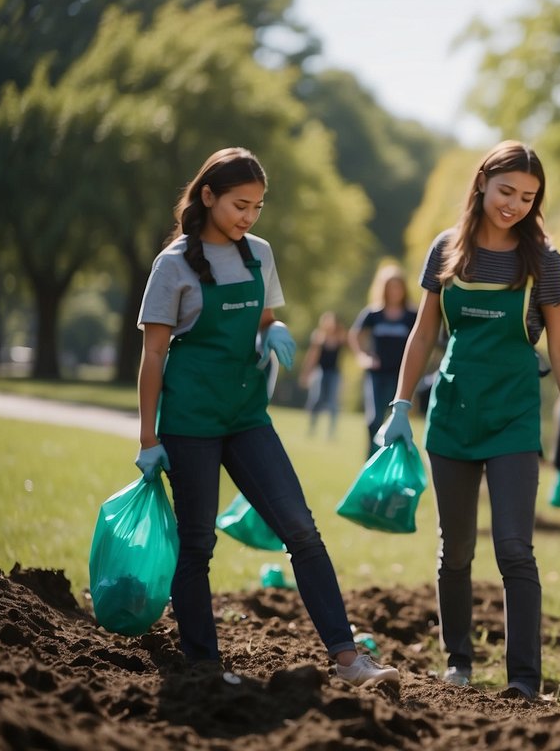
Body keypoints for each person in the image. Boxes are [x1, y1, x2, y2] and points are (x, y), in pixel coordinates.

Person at [134, 147, 399, 688]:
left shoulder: (259, 253)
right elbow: (154, 355)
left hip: (248, 417)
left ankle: (349, 661)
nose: (248, 217)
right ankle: (205, 666)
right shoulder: (173, 266)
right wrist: (147, 438)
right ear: (207, 197)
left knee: (301, 528)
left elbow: (265, 318)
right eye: (239, 205)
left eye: (257, 206)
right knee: (197, 543)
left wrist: (271, 330)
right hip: (190, 422)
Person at [374, 140, 560, 701]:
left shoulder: (543, 259)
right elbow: (424, 334)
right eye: (506, 191)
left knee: (515, 548)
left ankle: (524, 678)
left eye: (528, 197)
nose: (515, 204)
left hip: (515, 418)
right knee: (456, 549)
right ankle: (458, 663)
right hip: (451, 417)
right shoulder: (448, 250)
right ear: (482, 184)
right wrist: (399, 405)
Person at [349, 263, 418, 459]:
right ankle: (370, 461)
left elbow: (425, 339)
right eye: (390, 287)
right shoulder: (373, 314)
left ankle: (391, 462)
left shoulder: (411, 316)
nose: (394, 291)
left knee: (396, 420)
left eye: (398, 287)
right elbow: (355, 335)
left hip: (401, 376)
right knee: (374, 420)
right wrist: (363, 357)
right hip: (377, 376)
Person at [300, 311, 345, 438]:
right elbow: (312, 357)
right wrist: (306, 373)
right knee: (316, 400)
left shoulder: (340, 337)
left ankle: (331, 432)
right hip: (320, 372)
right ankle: (312, 428)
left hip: (334, 373)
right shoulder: (319, 338)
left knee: (333, 403)